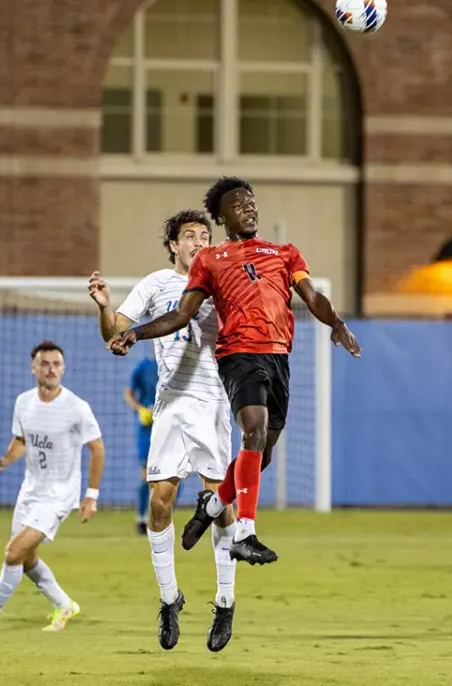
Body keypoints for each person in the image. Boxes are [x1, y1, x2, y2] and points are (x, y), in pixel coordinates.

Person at [108, 176, 361, 568]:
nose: (248, 208)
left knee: (263, 453)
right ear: (223, 217)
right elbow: (181, 315)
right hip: (238, 354)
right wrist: (135, 333)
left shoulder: (285, 253)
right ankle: (245, 532)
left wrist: (337, 324)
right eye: (238, 204)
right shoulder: (210, 260)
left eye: (251, 201)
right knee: (253, 431)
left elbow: (312, 296)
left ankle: (212, 505)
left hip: (278, 356)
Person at [89, 208, 239, 652]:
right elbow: (114, 329)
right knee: (160, 501)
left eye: (204, 235)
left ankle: (225, 600)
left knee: (220, 504)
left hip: (214, 404)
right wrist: (103, 307)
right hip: (171, 405)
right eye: (190, 235)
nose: (198, 241)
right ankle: (169, 599)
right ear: (174, 245)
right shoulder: (156, 284)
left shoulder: (221, 283)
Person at [0, 341, 105, 634]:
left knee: (13, 552)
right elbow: (22, 441)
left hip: (59, 496)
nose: (51, 369)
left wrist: (91, 496)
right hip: (30, 492)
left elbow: (97, 449)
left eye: (56, 364)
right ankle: (64, 605)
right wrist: (5, 460)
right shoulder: (23, 402)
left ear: (63, 368)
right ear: (34, 368)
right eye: (45, 364)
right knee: (26, 560)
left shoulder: (77, 407)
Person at [125, 354, 159, 535]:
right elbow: (129, 392)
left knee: (177, 474)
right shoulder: (144, 366)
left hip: (171, 426)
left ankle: (161, 517)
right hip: (148, 427)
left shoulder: (176, 364)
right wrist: (139, 409)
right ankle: (141, 518)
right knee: (146, 475)